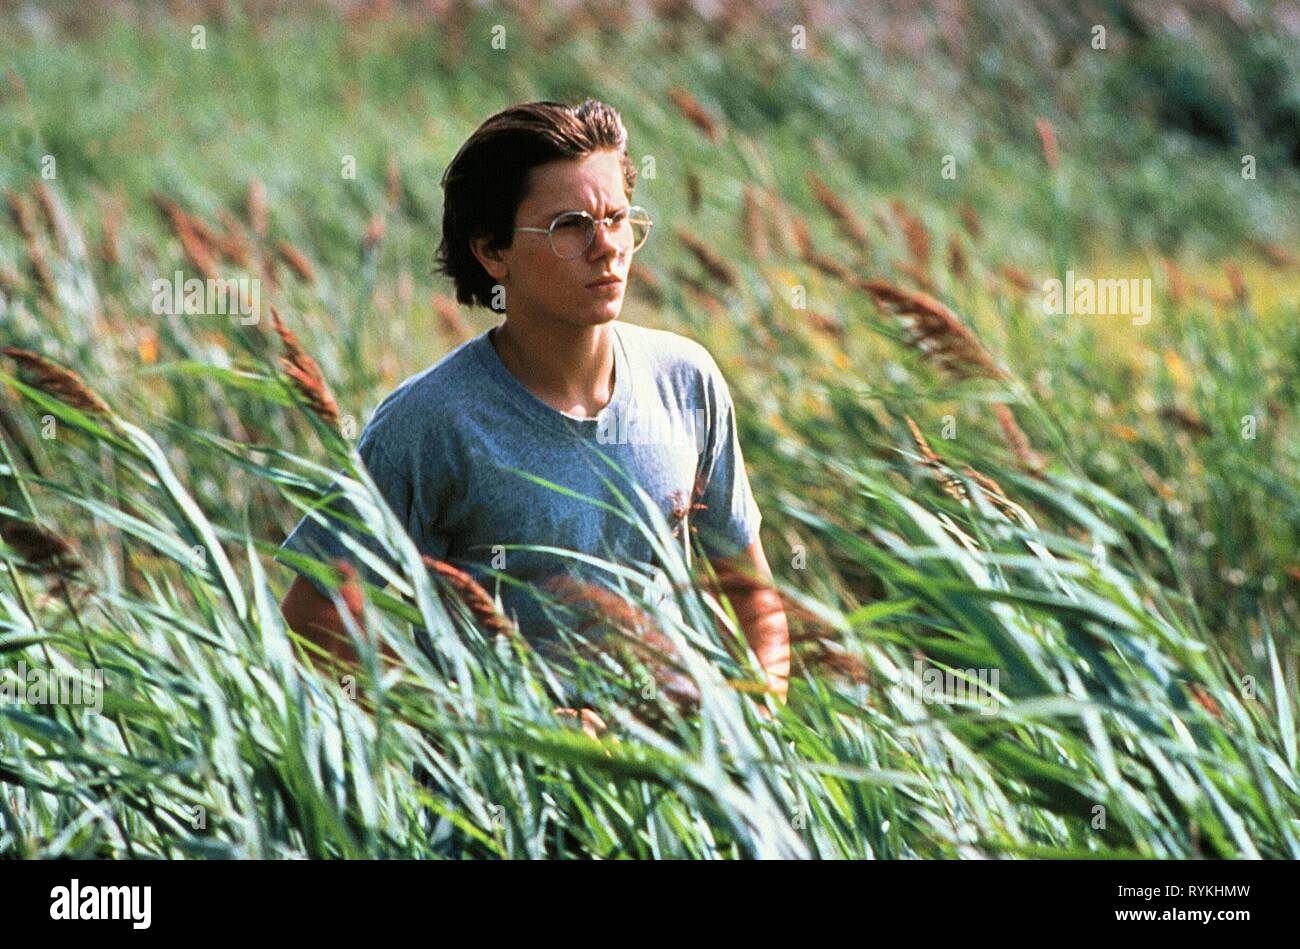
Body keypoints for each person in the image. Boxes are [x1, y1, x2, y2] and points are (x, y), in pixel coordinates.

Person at [275, 98, 790, 720]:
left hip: (676, 797)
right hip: (508, 803)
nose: (607, 248)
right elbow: (315, 614)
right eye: (570, 226)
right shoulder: (433, 420)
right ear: (494, 253)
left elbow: (751, 597)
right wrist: (476, 727)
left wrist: (755, 729)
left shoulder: (686, 382)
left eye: (618, 218)